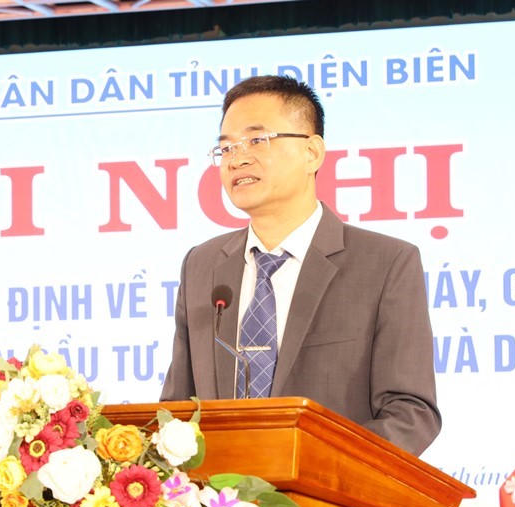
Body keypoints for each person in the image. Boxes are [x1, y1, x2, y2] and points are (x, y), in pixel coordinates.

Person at [160, 75, 440, 457]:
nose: (237, 159)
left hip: (330, 491)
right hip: (218, 493)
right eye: (226, 148)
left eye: (257, 140)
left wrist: (316, 467)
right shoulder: (202, 266)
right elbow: (177, 409)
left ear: (312, 152)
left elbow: (410, 414)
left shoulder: (385, 264)